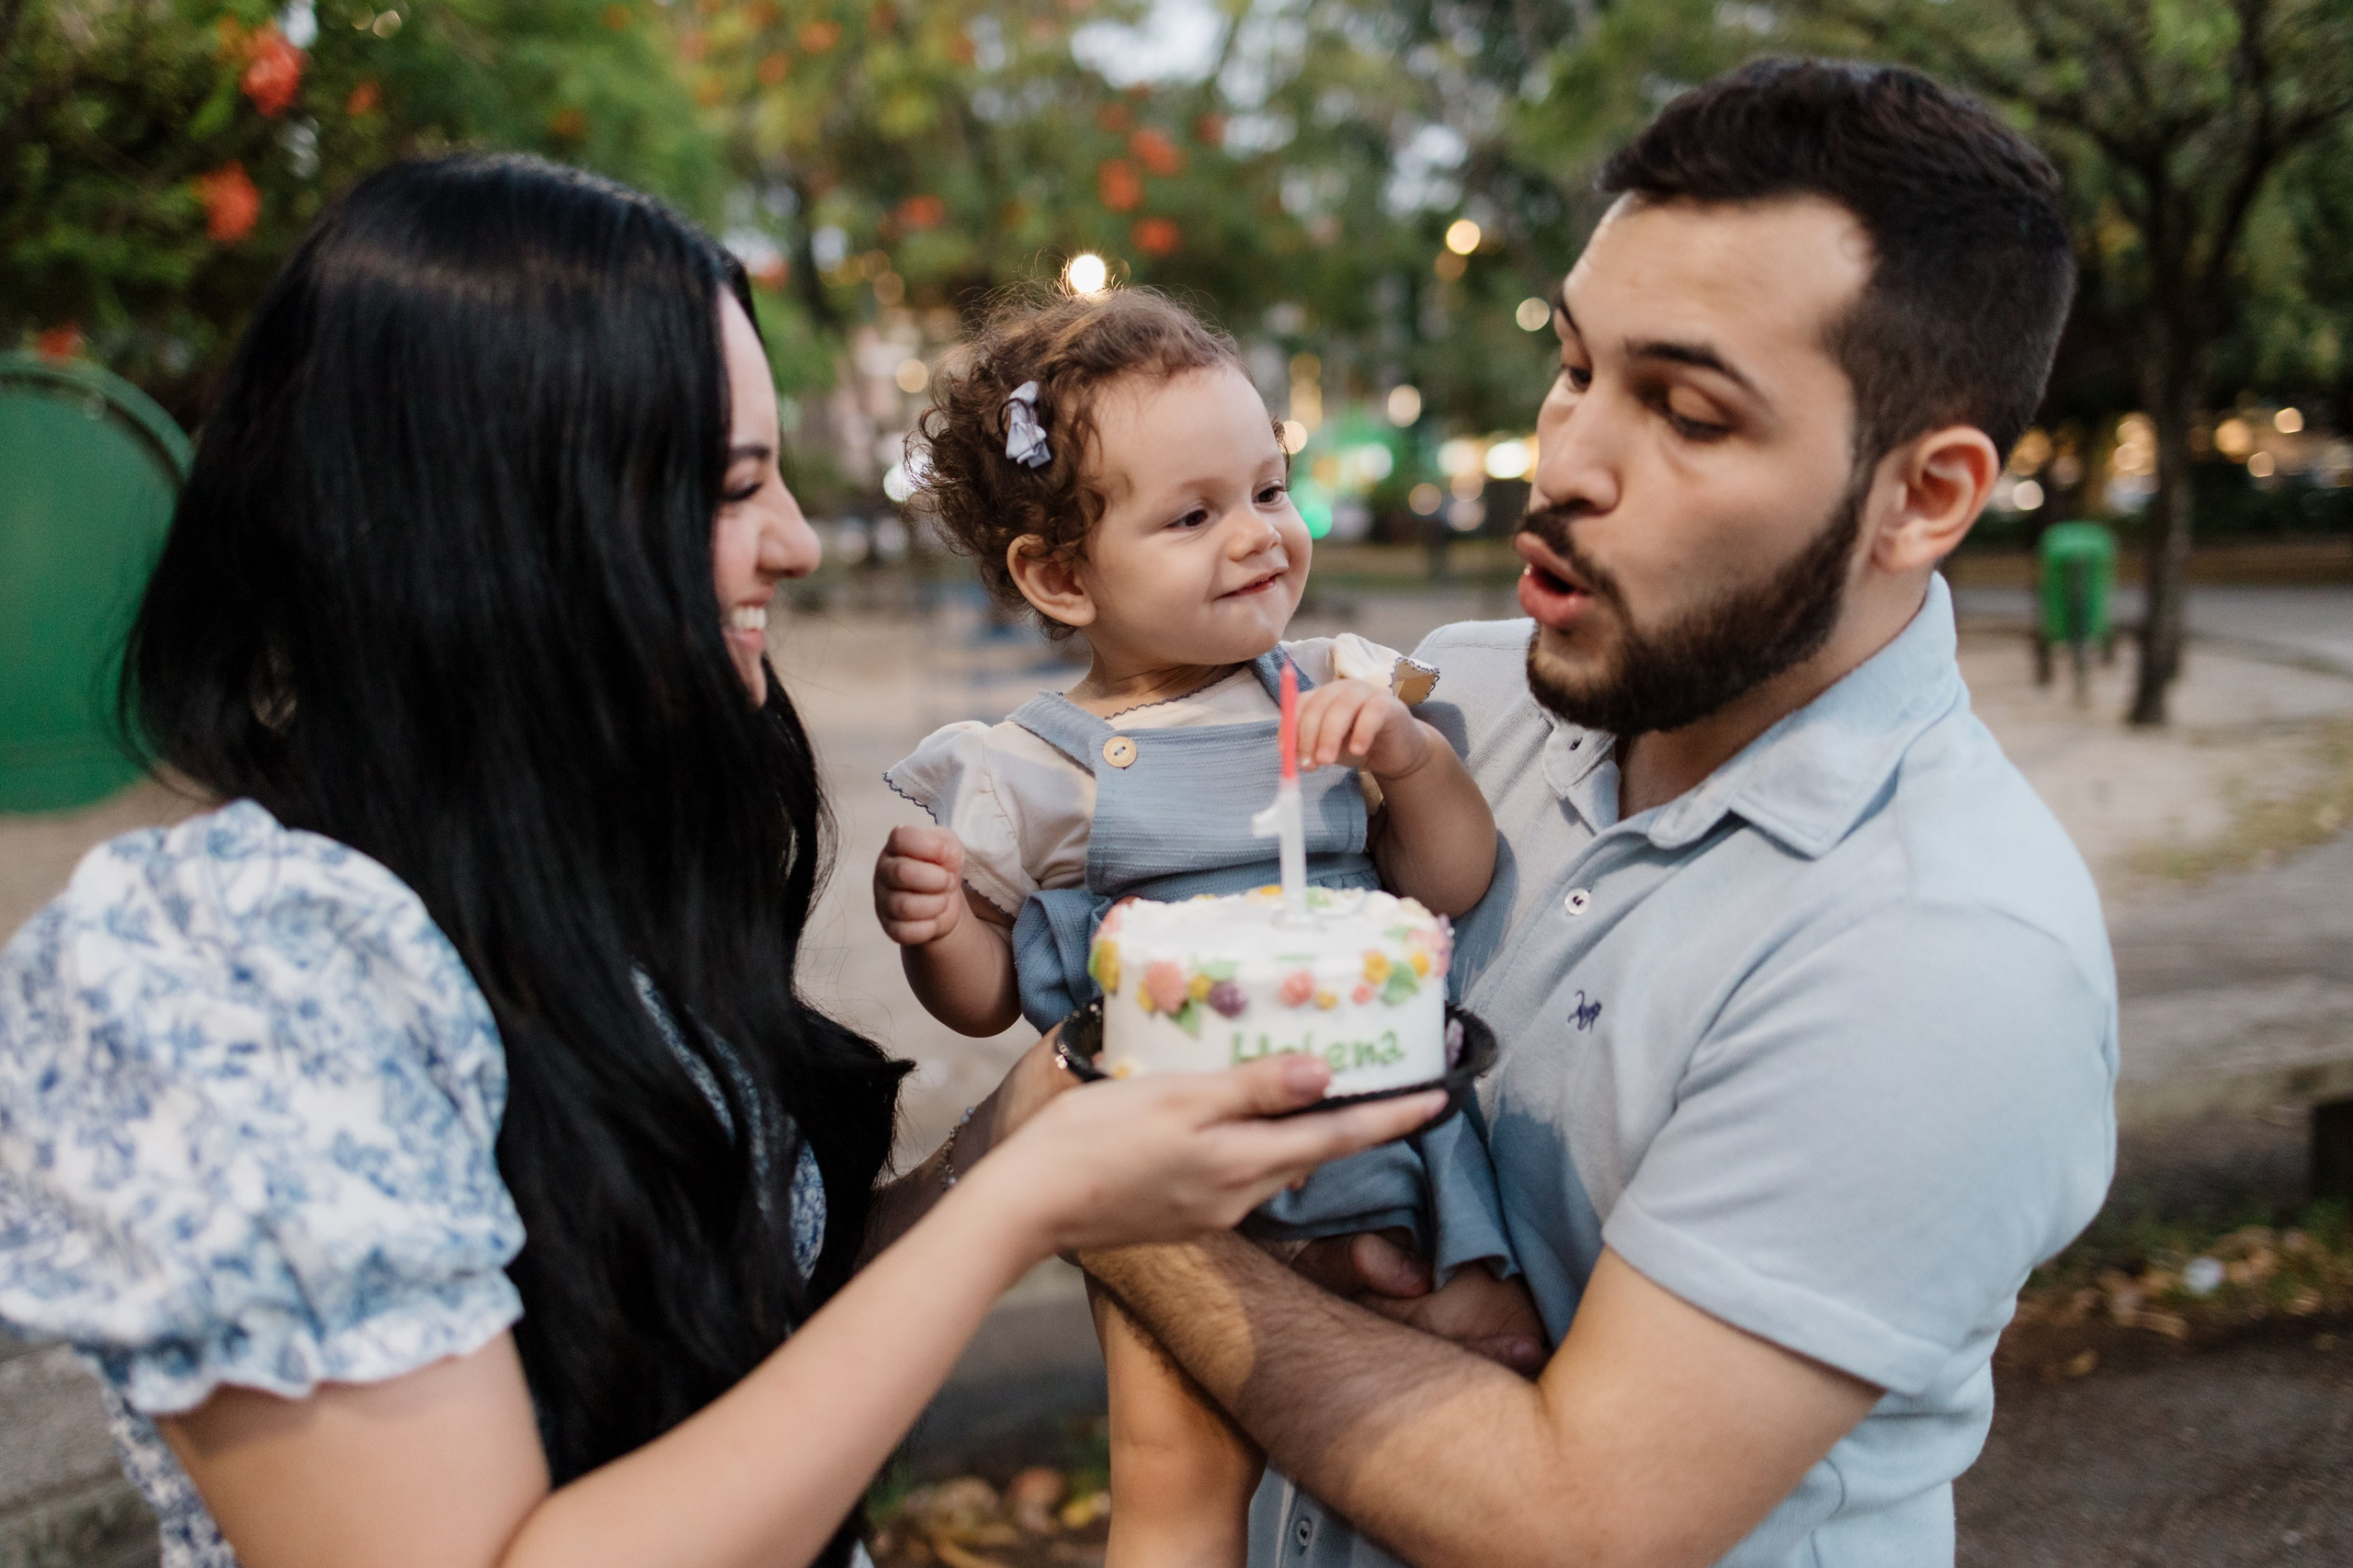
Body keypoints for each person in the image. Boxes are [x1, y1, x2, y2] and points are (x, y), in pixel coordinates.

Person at [0, 153, 1445, 1568]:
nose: (801, 543)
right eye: (735, 484)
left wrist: (1016, 1128)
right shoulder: (224, 964)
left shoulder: (565, 890)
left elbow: (740, 1370)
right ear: (508, 516)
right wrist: (1022, 1202)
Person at [1078, 58, 2120, 1568]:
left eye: (1687, 413)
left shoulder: (1946, 950)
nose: (1564, 462)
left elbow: (1580, 1520)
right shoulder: (1466, 701)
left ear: (1925, 496)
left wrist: (1115, 1191)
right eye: (1575, 367)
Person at [870, 287, 1522, 1567]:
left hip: (1387, 1144)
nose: (1257, 538)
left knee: (1471, 1385)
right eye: (1193, 514)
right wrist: (938, 924)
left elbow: (1451, 881)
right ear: (1062, 575)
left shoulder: (1344, 693)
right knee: (1174, 1477)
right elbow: (990, 998)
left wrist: (1408, 763)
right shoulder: (1041, 768)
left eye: (1271, 491)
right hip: (1177, 1185)